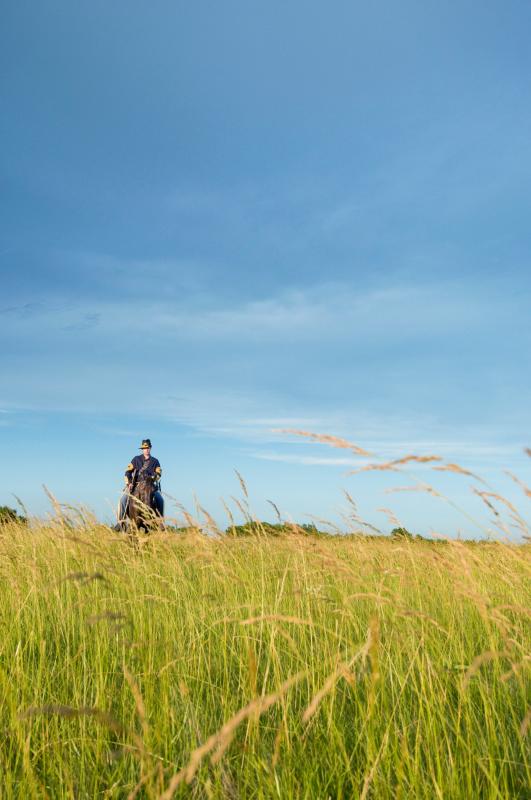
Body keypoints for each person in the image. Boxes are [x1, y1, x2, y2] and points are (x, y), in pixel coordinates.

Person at [116, 438, 164, 527]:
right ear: (142, 449)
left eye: (147, 448)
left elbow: (159, 473)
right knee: (122, 500)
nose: (146, 450)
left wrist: (153, 477)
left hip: (150, 486)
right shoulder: (136, 459)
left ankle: (160, 522)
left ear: (150, 448)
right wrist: (129, 483)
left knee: (160, 500)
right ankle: (120, 522)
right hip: (136, 485)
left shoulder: (155, 461)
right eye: (144, 448)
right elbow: (127, 472)